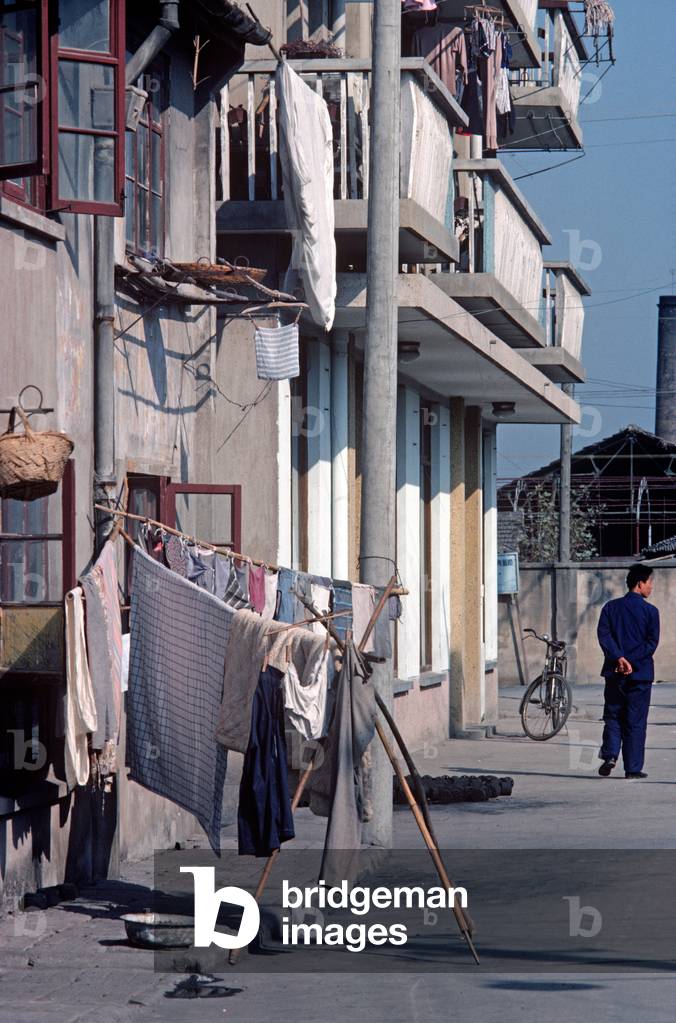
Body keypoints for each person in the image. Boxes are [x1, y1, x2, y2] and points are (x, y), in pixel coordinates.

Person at [597, 564, 660, 780]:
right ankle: (632, 768)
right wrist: (630, 660)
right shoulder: (651, 612)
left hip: (615, 673)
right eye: (650, 582)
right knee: (636, 720)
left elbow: (604, 636)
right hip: (640, 674)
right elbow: (651, 643)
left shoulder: (610, 608)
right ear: (640, 583)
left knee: (613, 715)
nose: (651, 587)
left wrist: (619, 658)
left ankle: (611, 754)